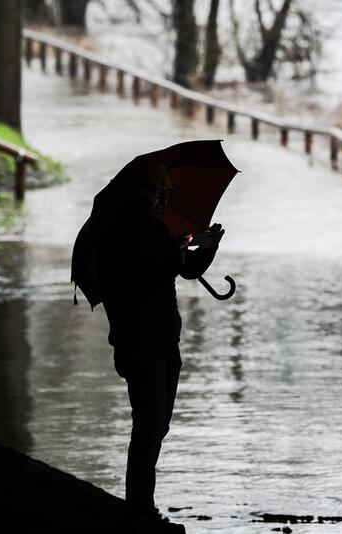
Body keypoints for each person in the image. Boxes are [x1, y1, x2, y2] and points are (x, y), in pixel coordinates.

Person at [97, 164, 224, 534]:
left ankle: (141, 507)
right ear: (140, 195)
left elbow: (181, 270)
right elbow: (146, 272)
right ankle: (139, 509)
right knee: (148, 425)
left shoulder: (154, 229)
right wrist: (175, 250)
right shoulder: (117, 236)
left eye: (168, 196)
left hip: (165, 341)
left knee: (158, 424)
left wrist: (206, 248)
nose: (164, 201)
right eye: (159, 194)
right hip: (140, 344)